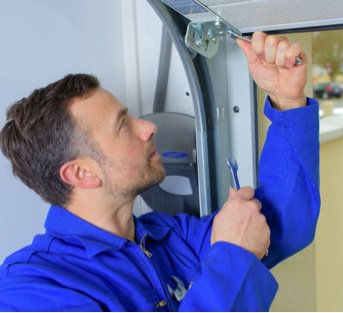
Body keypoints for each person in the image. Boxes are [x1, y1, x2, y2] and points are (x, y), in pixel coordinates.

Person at [0, 32, 320, 311]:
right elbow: (239, 252)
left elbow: (281, 225)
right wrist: (233, 257)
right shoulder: (31, 289)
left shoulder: (167, 237)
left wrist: (287, 100)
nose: (148, 127)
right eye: (123, 125)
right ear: (81, 173)